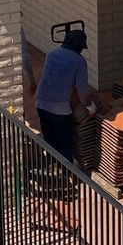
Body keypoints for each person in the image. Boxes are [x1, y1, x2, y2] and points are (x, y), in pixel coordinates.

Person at [36, 26, 99, 163]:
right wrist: (89, 105)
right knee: (65, 143)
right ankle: (66, 172)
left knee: (50, 140)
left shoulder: (51, 54)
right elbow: (82, 89)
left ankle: (52, 168)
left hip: (41, 104)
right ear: (79, 47)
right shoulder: (79, 61)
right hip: (59, 110)